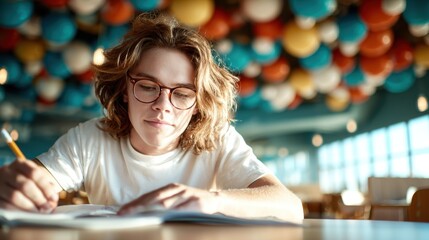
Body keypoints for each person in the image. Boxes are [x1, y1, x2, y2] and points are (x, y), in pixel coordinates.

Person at [0, 12, 303, 221]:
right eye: (147, 86)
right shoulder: (89, 139)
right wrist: (13, 186)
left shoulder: (218, 140)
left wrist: (213, 200)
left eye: (182, 93)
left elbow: (289, 206)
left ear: (198, 103)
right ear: (124, 89)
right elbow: (30, 185)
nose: (163, 105)